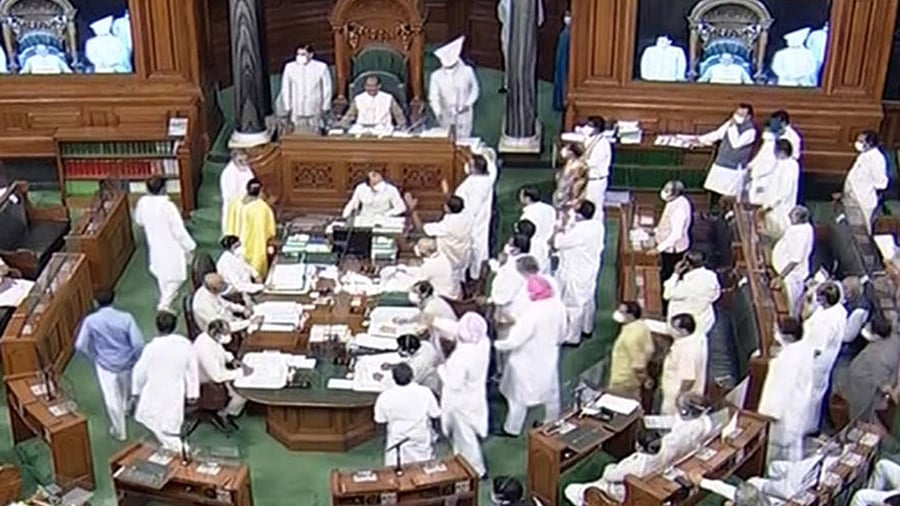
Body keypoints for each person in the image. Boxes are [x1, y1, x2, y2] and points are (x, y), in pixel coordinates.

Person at [565, 396, 726, 504]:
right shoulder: (681, 438)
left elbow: (609, 475)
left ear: (639, 446)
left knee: (570, 490)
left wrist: (610, 467)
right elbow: (676, 426)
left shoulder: (638, 465)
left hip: (618, 493)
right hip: (650, 481)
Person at [495, 275, 567, 436]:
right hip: (548, 358)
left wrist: (496, 344)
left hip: (526, 361)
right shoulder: (558, 307)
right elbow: (562, 334)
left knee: (518, 399)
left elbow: (514, 341)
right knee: (552, 394)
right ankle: (551, 422)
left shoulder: (531, 314)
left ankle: (512, 429)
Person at [74, 289, 144, 441]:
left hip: (105, 365)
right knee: (126, 389)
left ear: (95, 303)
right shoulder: (126, 318)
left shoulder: (90, 321)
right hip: (126, 362)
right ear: (114, 299)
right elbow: (138, 343)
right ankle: (126, 408)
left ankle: (120, 431)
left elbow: (80, 345)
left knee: (111, 397)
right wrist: (135, 358)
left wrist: (94, 356)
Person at [131, 311, 199, 450]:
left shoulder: (151, 348)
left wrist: (136, 392)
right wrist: (193, 393)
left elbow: (139, 372)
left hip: (155, 391)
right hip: (174, 392)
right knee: (169, 427)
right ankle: (174, 449)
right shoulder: (185, 344)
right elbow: (192, 370)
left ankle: (181, 452)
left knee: (162, 426)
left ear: (157, 327)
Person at [434, 313, 491, 478]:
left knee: (466, 438)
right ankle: (460, 460)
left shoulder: (461, 358)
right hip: (475, 396)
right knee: (463, 436)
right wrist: (435, 321)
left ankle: (477, 470)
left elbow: (453, 383)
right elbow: (458, 330)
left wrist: (440, 368)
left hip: (460, 402)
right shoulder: (482, 341)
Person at [134, 176, 196, 311]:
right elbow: (178, 231)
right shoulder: (168, 207)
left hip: (154, 243)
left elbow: (139, 221)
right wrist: (190, 246)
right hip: (172, 246)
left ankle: (166, 300)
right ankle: (164, 303)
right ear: (163, 189)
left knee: (162, 275)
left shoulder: (142, 202)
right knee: (176, 277)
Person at [757, 317, 814, 462]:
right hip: (797, 410)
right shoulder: (803, 350)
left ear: (788, 336)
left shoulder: (788, 359)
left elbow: (780, 389)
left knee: (778, 457)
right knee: (792, 451)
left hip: (784, 417)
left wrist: (769, 414)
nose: (774, 333)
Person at [553, 200, 605, 344]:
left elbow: (558, 242)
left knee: (573, 305)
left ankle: (573, 337)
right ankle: (587, 328)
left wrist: (560, 227)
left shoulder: (579, 231)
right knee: (588, 300)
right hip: (590, 270)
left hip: (575, 272)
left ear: (579, 215)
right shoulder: (597, 226)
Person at [373, 362, 440, 466]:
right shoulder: (425, 392)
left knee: (397, 469)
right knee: (423, 468)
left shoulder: (384, 397)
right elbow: (435, 414)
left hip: (397, 440)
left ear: (393, 378)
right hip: (421, 438)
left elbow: (380, 420)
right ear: (412, 376)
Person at [803, 282, 847, 433]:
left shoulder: (827, 321)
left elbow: (817, 348)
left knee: (810, 397)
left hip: (816, 364)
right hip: (823, 362)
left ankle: (807, 428)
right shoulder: (836, 310)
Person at [838, 316, 898, 424]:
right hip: (866, 379)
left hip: (865, 389)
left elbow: (884, 386)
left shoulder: (876, 356)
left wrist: (893, 398)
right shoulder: (893, 340)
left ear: (877, 336)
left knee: (861, 415)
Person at [193, 319, 251, 428]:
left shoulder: (210, 338)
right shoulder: (205, 350)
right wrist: (241, 372)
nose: (229, 336)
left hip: (219, 370)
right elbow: (217, 377)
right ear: (218, 335)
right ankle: (224, 413)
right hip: (208, 384)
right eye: (226, 333)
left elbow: (221, 351)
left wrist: (232, 359)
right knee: (241, 395)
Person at [450, 154, 497, 279]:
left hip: (473, 219)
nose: (467, 167)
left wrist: (465, 218)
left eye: (470, 164)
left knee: (475, 246)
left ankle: (476, 276)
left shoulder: (477, 183)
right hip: (475, 218)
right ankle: (474, 273)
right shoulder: (482, 178)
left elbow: (473, 207)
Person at [408, 194, 472, 286]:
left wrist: (413, 210)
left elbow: (421, 229)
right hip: (463, 254)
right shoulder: (467, 216)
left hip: (450, 258)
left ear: (447, 208)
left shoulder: (448, 224)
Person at [698, 103, 758, 198]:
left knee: (730, 195)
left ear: (748, 117)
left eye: (742, 114)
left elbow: (736, 143)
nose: (738, 116)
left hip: (734, 168)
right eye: (737, 113)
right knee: (715, 190)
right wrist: (700, 139)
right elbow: (718, 134)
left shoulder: (751, 131)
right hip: (722, 162)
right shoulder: (731, 123)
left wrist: (733, 127)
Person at [429, 36, 480, 138]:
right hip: (445, 113)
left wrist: (467, 104)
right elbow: (433, 96)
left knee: (464, 137)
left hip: (464, 113)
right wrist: (438, 112)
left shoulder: (468, 71)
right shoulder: (436, 76)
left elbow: (475, 89)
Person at [224, 178, 276, 278]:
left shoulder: (235, 202)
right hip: (253, 251)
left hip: (234, 247)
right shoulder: (261, 208)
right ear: (261, 191)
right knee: (254, 274)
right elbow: (269, 232)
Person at [276, 45, 332, 134]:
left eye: (303, 54)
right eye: (298, 54)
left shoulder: (321, 67)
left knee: (315, 131)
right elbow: (286, 88)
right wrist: (287, 106)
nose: (300, 56)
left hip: (315, 107)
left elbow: (327, 88)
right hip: (296, 107)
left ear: (311, 54)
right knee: (298, 132)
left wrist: (326, 105)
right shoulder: (290, 67)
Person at [769, 206, 814, 317]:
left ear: (800, 218)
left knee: (790, 307)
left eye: (792, 215)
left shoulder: (801, 233)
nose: (789, 216)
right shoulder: (798, 228)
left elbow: (795, 260)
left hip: (791, 278)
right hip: (783, 273)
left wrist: (780, 277)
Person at [659, 313, 708, 414]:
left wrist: (679, 398)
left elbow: (688, 379)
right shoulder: (692, 340)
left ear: (683, 331)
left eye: (675, 328)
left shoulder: (686, 350)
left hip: (676, 398)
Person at [662, 250, 721, 334]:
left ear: (686, 264)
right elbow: (716, 294)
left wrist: (675, 273)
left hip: (687, 323)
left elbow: (667, 294)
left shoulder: (686, 286)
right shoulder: (712, 276)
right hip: (705, 320)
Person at [607, 301, 654, 400]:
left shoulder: (630, 336)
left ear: (631, 316)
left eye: (622, 312)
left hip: (624, 380)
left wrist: (645, 379)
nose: (618, 313)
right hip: (631, 380)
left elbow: (638, 365)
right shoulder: (642, 326)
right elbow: (650, 350)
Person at [844, 130, 889, 232]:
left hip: (864, 200)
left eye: (861, 141)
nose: (857, 143)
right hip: (853, 196)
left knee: (863, 228)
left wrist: (867, 187)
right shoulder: (864, 154)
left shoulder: (877, 159)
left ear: (870, 143)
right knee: (852, 225)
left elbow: (882, 183)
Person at [754, 140, 801, 238]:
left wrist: (769, 206)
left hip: (780, 208)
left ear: (782, 152)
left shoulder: (790, 166)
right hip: (773, 205)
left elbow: (785, 191)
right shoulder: (781, 163)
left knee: (777, 232)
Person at [497, 0, 544, 91]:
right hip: (508, 33)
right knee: (508, 58)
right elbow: (501, 14)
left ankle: (525, 86)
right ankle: (508, 84)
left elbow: (539, 19)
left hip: (526, 35)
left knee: (526, 60)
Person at [653, 180, 692, 285]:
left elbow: (676, 235)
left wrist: (658, 248)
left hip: (673, 250)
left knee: (668, 275)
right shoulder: (674, 201)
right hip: (666, 245)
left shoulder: (679, 210)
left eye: (667, 190)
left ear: (675, 193)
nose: (663, 192)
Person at [339, 75, 407, 130]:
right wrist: (342, 125)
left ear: (379, 86)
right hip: (362, 130)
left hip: (383, 129)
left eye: (373, 86)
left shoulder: (388, 98)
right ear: (365, 86)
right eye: (368, 86)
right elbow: (350, 116)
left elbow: (398, 115)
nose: (371, 88)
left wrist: (402, 126)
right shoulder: (358, 98)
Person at [342, 170, 406, 219]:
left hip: (384, 219)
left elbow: (401, 207)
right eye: (373, 175)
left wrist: (386, 214)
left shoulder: (391, 189)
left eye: (376, 175)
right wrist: (345, 216)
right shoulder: (361, 188)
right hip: (365, 219)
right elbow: (353, 203)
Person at [581, 117, 612, 213]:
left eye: (590, 126)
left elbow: (591, 163)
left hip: (596, 181)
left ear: (597, 129)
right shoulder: (588, 139)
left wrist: (577, 163)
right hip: (586, 180)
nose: (586, 128)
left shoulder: (602, 144)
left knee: (595, 208)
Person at [218, 150, 255, 234]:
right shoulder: (228, 173)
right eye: (240, 159)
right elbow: (231, 196)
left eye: (245, 158)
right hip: (234, 209)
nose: (244, 161)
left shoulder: (246, 168)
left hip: (247, 207)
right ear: (234, 158)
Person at [840, 276, 874, 361]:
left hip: (847, 351)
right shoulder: (850, 302)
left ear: (850, 292)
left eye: (844, 288)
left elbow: (848, 337)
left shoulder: (859, 311)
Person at [518, 185, 557, 257]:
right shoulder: (550, 209)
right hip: (550, 246)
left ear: (527, 198)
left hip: (534, 249)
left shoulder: (528, 214)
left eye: (521, 195)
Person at [554, 142, 588, 214]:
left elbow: (578, 184)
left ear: (572, 152)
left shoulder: (579, 166)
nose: (564, 150)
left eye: (567, 149)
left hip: (570, 195)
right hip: (562, 192)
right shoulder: (569, 162)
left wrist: (574, 198)